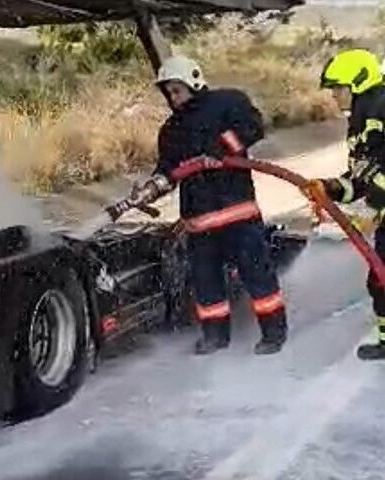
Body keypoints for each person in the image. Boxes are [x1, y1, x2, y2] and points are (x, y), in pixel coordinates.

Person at [108, 55, 287, 355]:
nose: (172, 98)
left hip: (237, 214)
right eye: (168, 93)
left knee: (257, 274)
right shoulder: (171, 130)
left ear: (193, 81)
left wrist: (221, 148)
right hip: (199, 222)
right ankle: (215, 336)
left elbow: (253, 126)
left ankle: (273, 333)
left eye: (176, 90)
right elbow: (169, 169)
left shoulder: (227, 102)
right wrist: (151, 188)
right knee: (205, 284)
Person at [302, 48, 385, 361]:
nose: (334, 96)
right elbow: (360, 181)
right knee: (379, 280)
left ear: (359, 82)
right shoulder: (362, 124)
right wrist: (331, 188)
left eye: (338, 88)